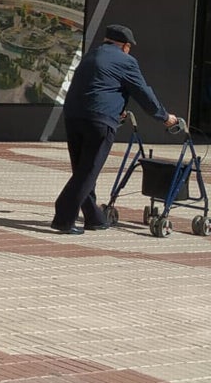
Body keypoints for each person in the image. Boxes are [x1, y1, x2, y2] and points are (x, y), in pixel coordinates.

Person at [51, 24, 178, 234]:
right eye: (129, 47)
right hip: (99, 121)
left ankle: (94, 218)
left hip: (73, 117)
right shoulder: (126, 61)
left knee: (83, 171)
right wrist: (165, 117)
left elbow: (98, 87)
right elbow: (143, 93)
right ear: (125, 46)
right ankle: (63, 218)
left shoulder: (91, 56)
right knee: (88, 172)